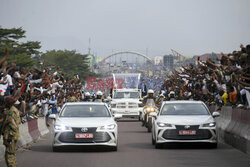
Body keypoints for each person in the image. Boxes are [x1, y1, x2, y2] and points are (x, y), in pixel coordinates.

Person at [1, 96, 21, 167]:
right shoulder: (13, 110)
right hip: (11, 135)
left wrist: (10, 135)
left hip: (10, 135)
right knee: (10, 154)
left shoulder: (11, 112)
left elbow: (12, 124)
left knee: (10, 155)